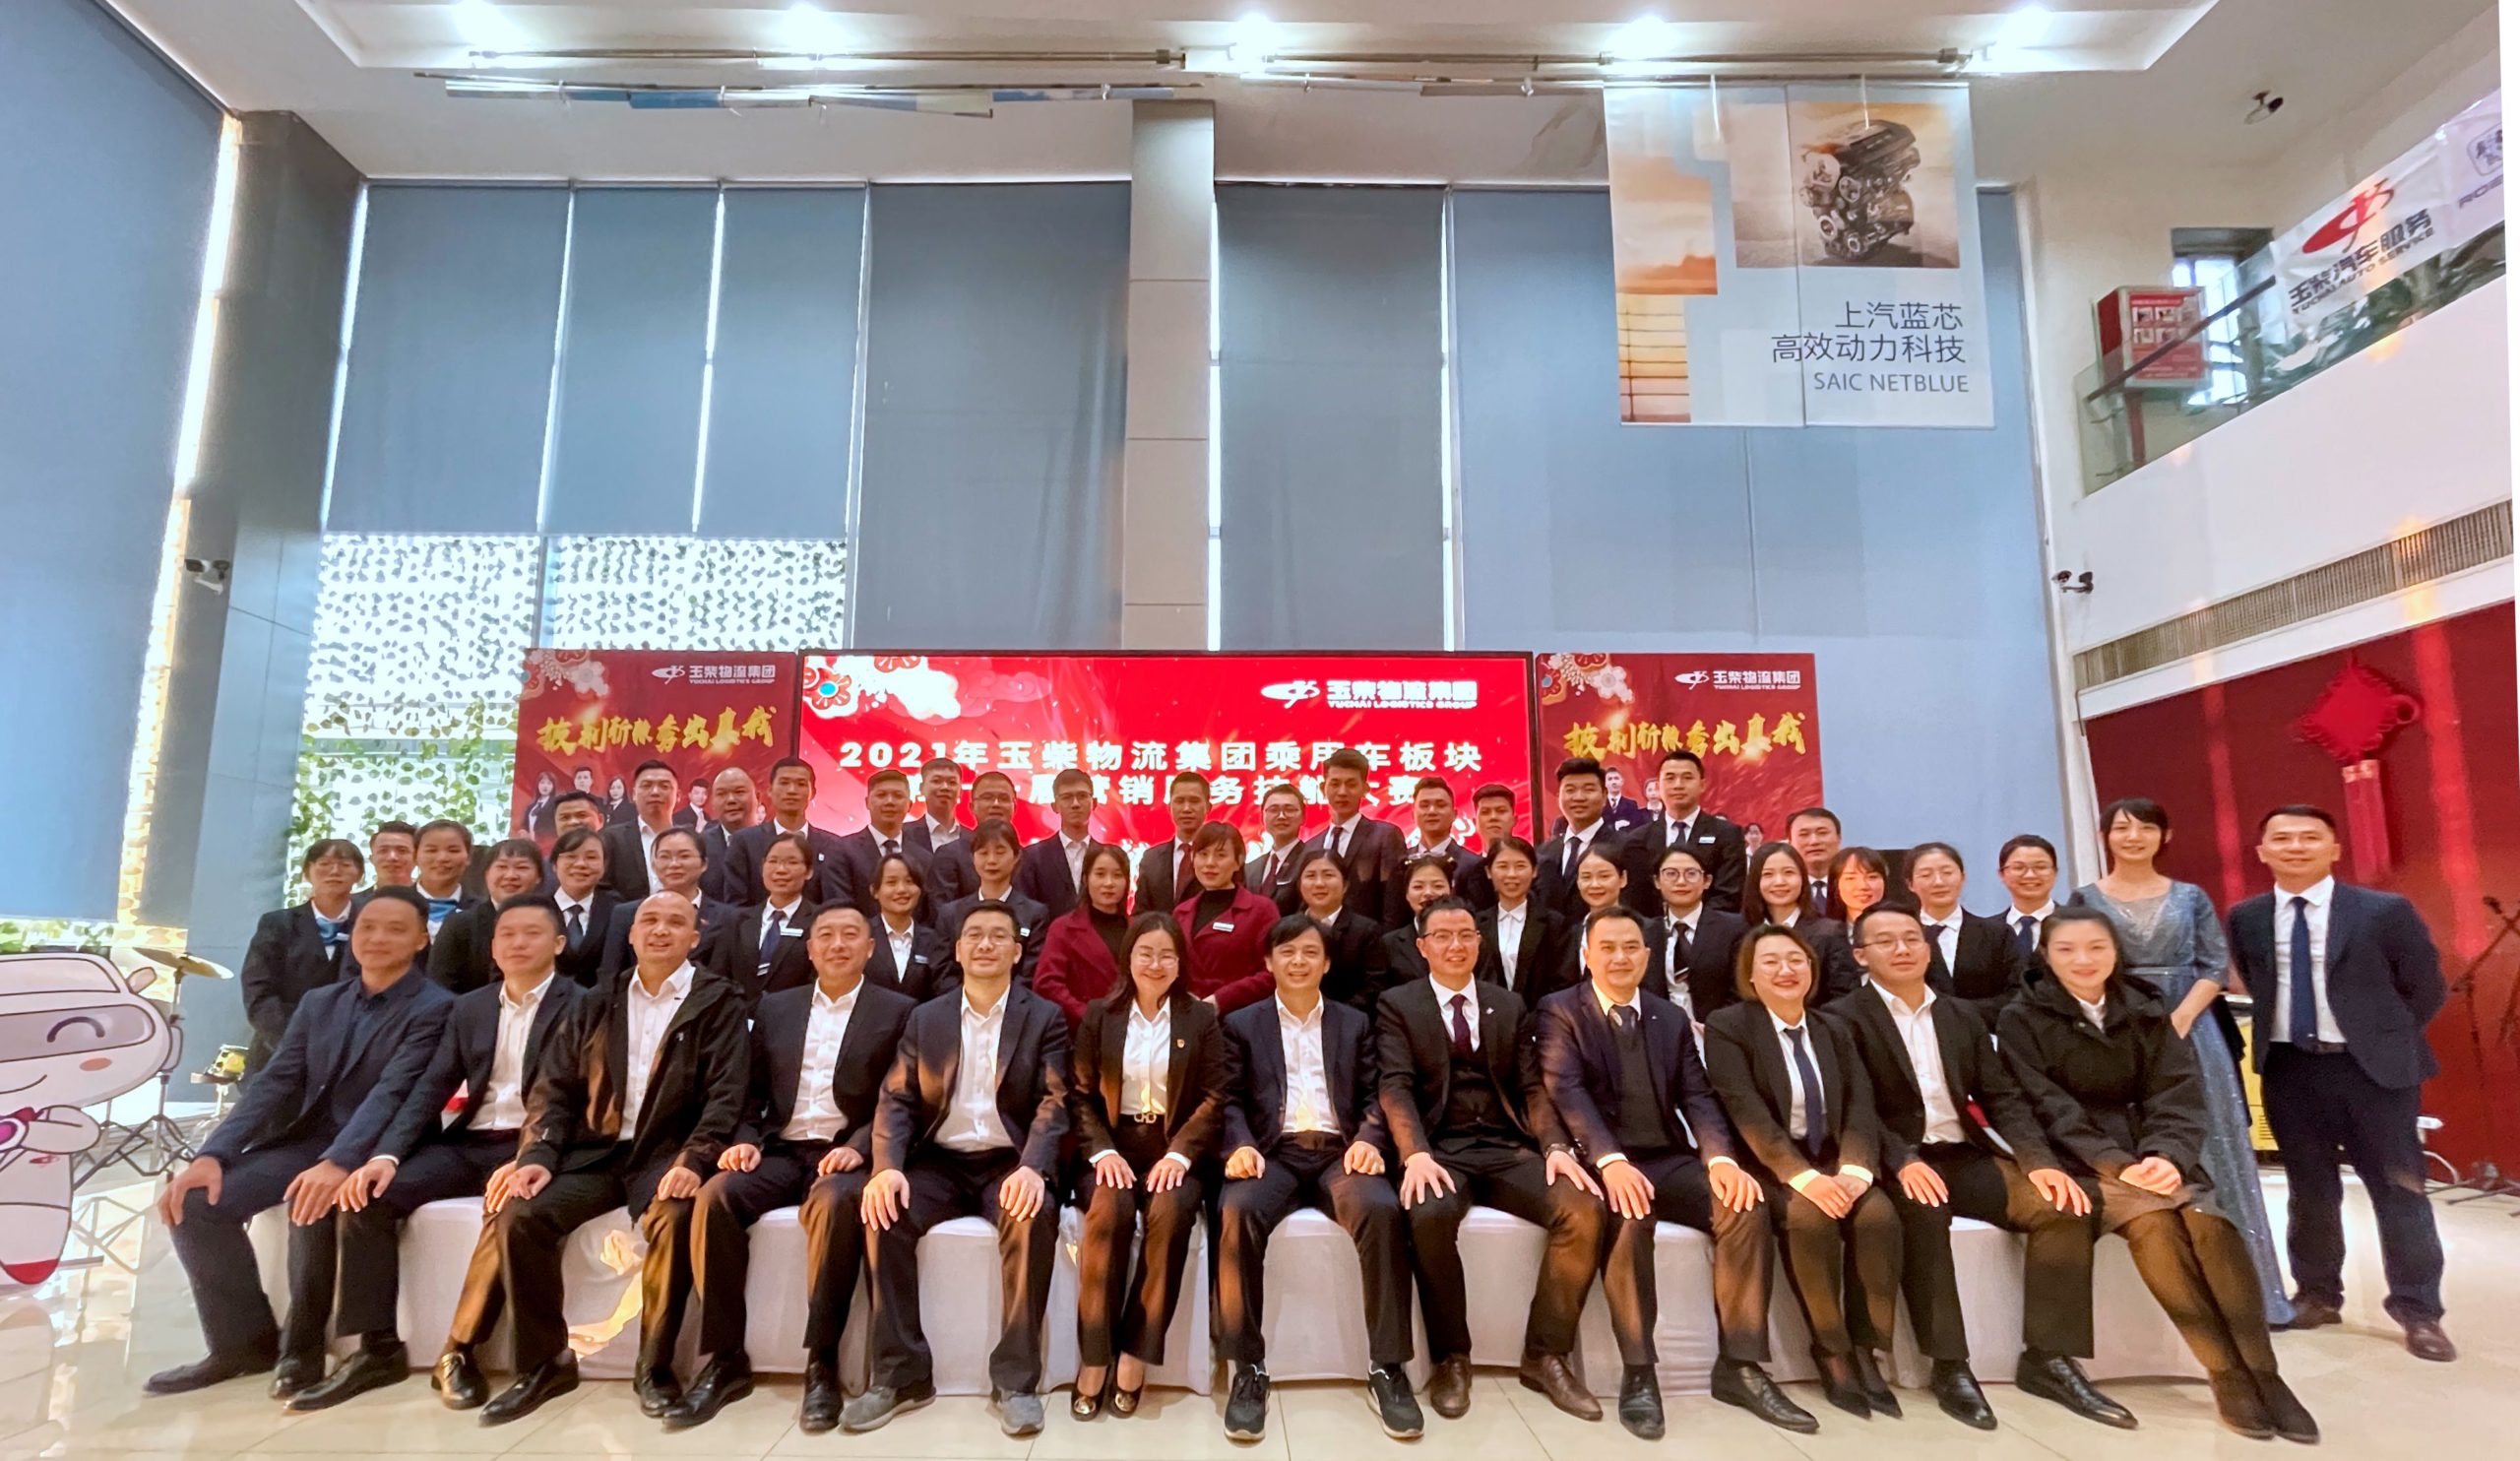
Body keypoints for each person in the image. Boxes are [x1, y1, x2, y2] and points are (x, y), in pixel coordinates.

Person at [2001, 910, 2317, 1444]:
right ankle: (2224, 1372)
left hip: (2155, 1154)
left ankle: (2265, 1373)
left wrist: (2167, 1154)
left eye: (2096, 947)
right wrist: (2116, 1163)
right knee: (2158, 1228)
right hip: (2084, 1160)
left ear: (2116, 951)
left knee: (2209, 1223)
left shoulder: (2145, 1006)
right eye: (2066, 950)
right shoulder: (2022, 1018)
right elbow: (2049, 1108)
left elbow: (2176, 1092)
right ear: (2046, 956)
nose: (2083, 960)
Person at [1826, 904, 2133, 1431]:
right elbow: (1854, 1108)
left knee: (2063, 1206)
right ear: (1860, 955)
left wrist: (2038, 1162)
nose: (1902, 949)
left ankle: (2049, 1358)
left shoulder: (1960, 1015)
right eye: (1886, 941)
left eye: (1912, 938)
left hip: (1962, 1153)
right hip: (1894, 1160)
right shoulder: (1841, 1020)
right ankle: (1950, 1365)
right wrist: (1902, 1161)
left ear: (1927, 947)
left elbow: (2002, 1097)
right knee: (1925, 1213)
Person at [452, 891, 751, 1427]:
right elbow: (554, 1089)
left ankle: (655, 1367)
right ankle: (545, 1363)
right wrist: (538, 1154)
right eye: (649, 920)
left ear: (694, 938)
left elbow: (726, 1096)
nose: (660, 930)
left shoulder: (719, 1001)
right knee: (522, 1214)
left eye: (675, 922)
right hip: (596, 1152)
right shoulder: (596, 1000)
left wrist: (695, 1159)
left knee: (676, 1217)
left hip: (668, 1154)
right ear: (632, 935)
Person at [147, 888, 452, 1399]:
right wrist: (212, 1154)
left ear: (422, 940)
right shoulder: (320, 1002)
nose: (378, 937)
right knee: (196, 1203)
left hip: (382, 1148)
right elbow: (274, 1082)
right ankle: (242, 1344)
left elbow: (393, 1092)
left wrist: (339, 1161)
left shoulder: (436, 1007)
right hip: (306, 1141)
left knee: (310, 1202)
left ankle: (301, 1349)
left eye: (396, 929)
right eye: (367, 926)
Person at [302, 896, 585, 1412]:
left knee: (510, 1212)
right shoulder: (469, 1007)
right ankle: (376, 1349)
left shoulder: (585, 1005)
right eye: (507, 935)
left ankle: (463, 1352)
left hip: (539, 1148)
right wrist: (386, 1156)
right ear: (493, 947)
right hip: (469, 1142)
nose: (518, 944)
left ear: (559, 944)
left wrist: (535, 1155)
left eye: (532, 934)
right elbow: (429, 1088)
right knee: (367, 1197)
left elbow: (581, 1098)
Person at [1535, 906, 1808, 1439]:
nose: (1620, 957)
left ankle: (1741, 1365)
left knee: (1745, 1204)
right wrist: (1610, 1161)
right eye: (1607, 948)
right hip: (1604, 1162)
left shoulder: (1669, 1016)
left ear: (1647, 955)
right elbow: (1566, 1090)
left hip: (1668, 1155)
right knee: (1630, 1219)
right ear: (1586, 955)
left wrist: (1720, 1159)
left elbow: (1697, 1094)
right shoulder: (1560, 1010)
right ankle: (1640, 1372)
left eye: (1630, 947)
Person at [672, 905, 917, 1431]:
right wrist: (744, 1140)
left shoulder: (899, 1011)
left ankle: (821, 1362)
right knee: (716, 1196)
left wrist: (860, 1146)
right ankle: (724, 1359)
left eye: (850, 935)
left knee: (836, 1203)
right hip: (780, 1149)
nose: (837, 944)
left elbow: (898, 1096)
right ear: (809, 949)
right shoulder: (776, 1007)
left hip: (844, 1152)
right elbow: (750, 1090)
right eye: (825, 935)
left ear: (870, 948)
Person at [2228, 804, 2451, 1361]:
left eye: (2309, 837)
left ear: (2334, 849)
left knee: (2399, 1190)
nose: (2295, 847)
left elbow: (2424, 986)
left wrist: (2381, 1037)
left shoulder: (2383, 911)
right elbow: (2257, 981)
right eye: (2282, 838)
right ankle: (2317, 1294)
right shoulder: (2247, 917)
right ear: (2262, 852)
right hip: (2291, 1069)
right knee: (2309, 1191)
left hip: (2372, 1071)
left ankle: (2419, 1309)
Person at [846, 903, 1071, 1437]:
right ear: (959, 949)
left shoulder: (1044, 1016)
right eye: (975, 936)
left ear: (1017, 952)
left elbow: (1056, 1099)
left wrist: (1033, 1167)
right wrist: (886, 1167)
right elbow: (897, 1098)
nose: (986, 944)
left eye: (998, 936)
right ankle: (900, 1375)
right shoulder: (927, 1017)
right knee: (882, 1213)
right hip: (940, 1161)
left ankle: (1016, 1381)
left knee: (1031, 1217)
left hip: (1008, 1162)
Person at [1378, 897, 1605, 1423]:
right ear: (1422, 947)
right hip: (1441, 1149)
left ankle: (1545, 1354)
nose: (1455, 946)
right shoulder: (1398, 1004)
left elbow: (1531, 1086)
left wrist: (1555, 1147)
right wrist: (1414, 1153)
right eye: (1442, 937)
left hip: (1505, 1146)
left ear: (1480, 943)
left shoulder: (1508, 1003)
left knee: (1584, 1208)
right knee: (1428, 1214)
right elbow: (1395, 1084)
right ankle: (1451, 1358)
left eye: (1465, 935)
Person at [2070, 796, 2291, 1328]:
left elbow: (2213, 967)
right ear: (2104, 837)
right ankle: (2167, 1297)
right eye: (2121, 828)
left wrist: (2180, 1019)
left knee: (2215, 1146)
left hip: (2193, 1031)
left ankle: (2250, 1295)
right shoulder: (2084, 898)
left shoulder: (2190, 897)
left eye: (2145, 828)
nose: (2133, 837)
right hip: (2117, 1030)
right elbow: (2077, 962)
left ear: (2164, 837)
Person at [1215, 916, 1420, 1443]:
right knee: (1236, 1211)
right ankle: (1248, 1368)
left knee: (1381, 1210)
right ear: (1268, 962)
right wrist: (1239, 1145)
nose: (1299, 962)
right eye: (1287, 952)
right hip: (1273, 1153)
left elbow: (1377, 1092)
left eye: (1310, 952)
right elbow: (1228, 1098)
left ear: (1327, 963)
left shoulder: (1355, 1023)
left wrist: (1369, 1139)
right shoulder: (1242, 1024)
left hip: (1339, 1152)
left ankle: (1387, 1367)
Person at [1702, 924, 1900, 1422]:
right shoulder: (1729, 1026)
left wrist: (1856, 1168)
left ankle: (1866, 1349)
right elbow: (1745, 1110)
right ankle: (1831, 1349)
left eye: (1796, 960)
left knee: (1878, 1217)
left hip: (1833, 1158)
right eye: (1770, 962)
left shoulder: (1833, 1027)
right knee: (1811, 1218)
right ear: (1750, 975)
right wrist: (1802, 1177)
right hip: (1767, 1164)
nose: (1785, 970)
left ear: (1812, 970)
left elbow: (1860, 1103)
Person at [1069, 917, 1229, 1420]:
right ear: (1129, 958)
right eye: (1145, 953)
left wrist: (1180, 1154)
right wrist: (1102, 1152)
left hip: (1173, 1147)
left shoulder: (1199, 1018)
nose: (1155, 964)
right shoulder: (1100, 1015)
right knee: (1108, 1213)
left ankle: (1137, 1351)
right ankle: (1096, 1354)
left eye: (1166, 955)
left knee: (1171, 1214)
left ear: (1180, 963)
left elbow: (1215, 1096)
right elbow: (1080, 1097)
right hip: (1113, 1147)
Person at [239, 840, 363, 1076]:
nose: (334, 871)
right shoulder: (277, 923)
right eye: (324, 864)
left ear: (359, 874)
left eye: (345, 864)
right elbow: (258, 992)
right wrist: (294, 1043)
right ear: (307, 872)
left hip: (349, 1054)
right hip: (280, 1050)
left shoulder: (370, 925)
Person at [1906, 842, 2029, 1025]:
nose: (1938, 882)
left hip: (1987, 1033)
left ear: (1963, 877)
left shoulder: (1997, 933)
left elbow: (2016, 993)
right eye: (1926, 875)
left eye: (1947, 872)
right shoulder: (1901, 937)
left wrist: (1958, 1013)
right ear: (1910, 884)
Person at [598, 827, 739, 979]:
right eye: (665, 857)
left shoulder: (728, 917)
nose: (674, 864)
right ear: (653, 865)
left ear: (704, 864)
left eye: (684, 856)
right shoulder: (626, 914)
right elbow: (610, 975)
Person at [1174, 821, 1283, 1012]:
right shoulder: (1181, 913)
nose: (1210, 863)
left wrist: (1220, 1000)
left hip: (1243, 1018)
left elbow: (1274, 972)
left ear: (1238, 861)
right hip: (1187, 1016)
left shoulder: (1261, 910)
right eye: (1203, 854)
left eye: (1221, 855)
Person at [705, 831, 818, 1011]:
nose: (781, 870)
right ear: (762, 867)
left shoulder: (819, 921)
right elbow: (718, 976)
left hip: (793, 1018)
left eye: (792, 862)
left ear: (809, 871)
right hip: (738, 1018)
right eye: (773, 861)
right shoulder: (737, 920)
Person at [1632, 750, 1747, 917]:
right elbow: (1635, 897)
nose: (1678, 785)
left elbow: (1730, 895)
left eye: (1687, 778)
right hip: (1652, 929)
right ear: (1657, 786)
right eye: (1670, 778)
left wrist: (1689, 923)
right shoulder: (1638, 839)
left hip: (1711, 927)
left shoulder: (1727, 835)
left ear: (1702, 785)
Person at [932, 819, 1050, 981]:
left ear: (1016, 856)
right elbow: (943, 972)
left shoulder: (1035, 914)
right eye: (983, 853)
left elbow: (1031, 973)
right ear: (972, 858)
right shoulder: (950, 914)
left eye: (1000, 852)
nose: (991, 860)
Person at [1304, 747, 1411, 926]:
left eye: (1351, 784)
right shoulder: (1311, 847)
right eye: (1335, 784)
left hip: (1370, 939)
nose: (1342, 792)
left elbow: (1394, 901)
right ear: (1323, 788)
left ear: (1365, 788)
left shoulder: (1385, 836)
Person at [427, 839, 546, 995]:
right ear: (487, 874)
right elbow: (439, 986)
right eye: (502, 867)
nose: (510, 875)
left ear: (538, 877)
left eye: (521, 867)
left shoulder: (551, 922)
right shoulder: (460, 924)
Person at [724, 757, 847, 907]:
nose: (791, 790)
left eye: (801, 784)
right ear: (770, 790)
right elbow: (736, 905)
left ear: (813, 793)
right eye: (784, 783)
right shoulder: (745, 842)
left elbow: (837, 904)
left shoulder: (833, 846)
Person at [1536, 756, 1646, 922]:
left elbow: (1638, 908)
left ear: (1604, 796)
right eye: (1570, 790)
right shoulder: (1544, 852)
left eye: (1588, 789)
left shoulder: (1627, 847)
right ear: (1559, 797)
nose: (1579, 797)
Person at [1033, 843, 1133, 1024]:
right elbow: (1047, 984)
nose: (1109, 883)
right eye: (1100, 874)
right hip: (1080, 1028)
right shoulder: (1063, 928)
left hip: (1132, 1028)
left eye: (1117, 875)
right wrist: (1087, 1015)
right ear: (1086, 879)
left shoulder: (1137, 929)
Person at [1748, 841, 1861, 1000]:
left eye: (1788, 873)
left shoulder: (1829, 933)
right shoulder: (1742, 932)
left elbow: (1845, 996)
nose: (1779, 882)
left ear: (1803, 878)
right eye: (1768, 874)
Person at [1647, 845, 1748, 1023]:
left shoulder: (1734, 929)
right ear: (1657, 881)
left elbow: (1741, 991)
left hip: (1720, 1028)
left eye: (1691, 873)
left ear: (1707, 881)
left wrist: (1716, 1028)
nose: (1681, 881)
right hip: (1660, 1029)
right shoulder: (1645, 932)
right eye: (1671, 873)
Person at [1289, 846, 1388, 1011]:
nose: (1319, 883)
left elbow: (1374, 988)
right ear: (1300, 885)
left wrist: (1335, 1017)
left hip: (1350, 1019)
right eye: (1310, 876)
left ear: (1345, 885)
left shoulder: (1367, 931)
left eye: (1328, 875)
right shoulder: (1286, 930)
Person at [831, 768, 937, 918]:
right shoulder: (842, 850)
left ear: (909, 805)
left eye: (898, 796)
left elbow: (929, 913)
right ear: (867, 802)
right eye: (881, 795)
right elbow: (840, 906)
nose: (889, 802)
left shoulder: (924, 858)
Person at [1478, 834, 1563, 1003]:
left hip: (1542, 1014)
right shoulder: (1477, 923)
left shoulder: (1554, 923)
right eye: (1503, 866)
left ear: (1534, 871)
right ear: (1488, 872)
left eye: (1520, 866)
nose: (1511, 874)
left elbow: (1561, 981)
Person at [1543, 845, 1635, 998]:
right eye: (1586, 877)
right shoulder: (1569, 935)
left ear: (1622, 878)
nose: (1595, 884)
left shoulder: (1647, 930)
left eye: (1604, 876)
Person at [1014, 768, 1103, 918]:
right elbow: (1025, 909)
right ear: (1054, 806)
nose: (1075, 804)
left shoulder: (1106, 856)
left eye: (1082, 796)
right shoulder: (1033, 857)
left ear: (1093, 803)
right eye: (1067, 797)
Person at [863, 852, 952, 1001]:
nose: (902, 890)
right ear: (874, 891)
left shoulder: (934, 940)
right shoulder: (861, 937)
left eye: (910, 882)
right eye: (891, 882)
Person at [598, 760, 684, 902]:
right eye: (647, 785)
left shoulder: (692, 840)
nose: (655, 792)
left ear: (678, 795)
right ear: (633, 794)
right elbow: (602, 891)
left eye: (664, 786)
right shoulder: (611, 839)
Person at [1404, 776, 1493, 911]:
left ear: (1454, 814)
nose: (1432, 811)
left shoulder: (1474, 865)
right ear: (1413, 815)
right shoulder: (1401, 862)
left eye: (1440, 805)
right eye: (1424, 805)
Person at [545, 827, 617, 987]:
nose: (580, 864)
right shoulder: (535, 909)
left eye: (591, 857)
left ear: (604, 866)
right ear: (555, 865)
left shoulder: (617, 911)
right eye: (571, 856)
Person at [1134, 771, 1213, 916]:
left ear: (1208, 807)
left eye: (1194, 801)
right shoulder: (1151, 859)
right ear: (1169, 807)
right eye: (1179, 801)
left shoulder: (1219, 858)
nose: (1186, 809)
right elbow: (1140, 913)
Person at [1375, 855, 1457, 992]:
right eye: (1418, 887)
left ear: (1451, 890)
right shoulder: (1389, 944)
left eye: (1438, 886)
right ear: (1406, 894)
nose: (1428, 893)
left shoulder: (1470, 939)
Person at [906, 756, 978, 905]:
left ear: (960, 791)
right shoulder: (903, 836)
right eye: (936, 781)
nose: (945, 787)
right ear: (921, 788)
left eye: (952, 782)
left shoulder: (975, 841)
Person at [696, 767, 759, 903]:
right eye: (721, 794)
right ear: (712, 803)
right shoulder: (699, 846)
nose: (730, 800)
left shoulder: (773, 842)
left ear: (757, 798)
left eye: (739, 792)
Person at [1997, 833, 2062, 961]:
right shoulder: (1986, 933)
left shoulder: (2077, 925)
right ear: (2002, 874)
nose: (2030, 875)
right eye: (2018, 867)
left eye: (2041, 867)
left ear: (2055, 873)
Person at [1245, 782, 1308, 912]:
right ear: (1262, 817)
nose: (1281, 816)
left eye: (1289, 809)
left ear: (1303, 817)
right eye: (1273, 810)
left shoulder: (1311, 861)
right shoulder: (1249, 869)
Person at [410, 820, 477, 935]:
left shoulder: (481, 911)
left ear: (469, 857)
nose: (442, 858)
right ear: (415, 856)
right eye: (431, 850)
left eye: (453, 850)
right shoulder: (393, 905)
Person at [1787, 807, 1844, 909]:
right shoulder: (1781, 889)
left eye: (1822, 833)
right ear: (1790, 843)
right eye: (1804, 834)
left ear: (1839, 838)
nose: (1814, 841)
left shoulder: (1857, 886)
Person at [1824, 845, 1892, 925]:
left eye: (1872, 877)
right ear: (1836, 885)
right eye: (1851, 878)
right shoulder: (1822, 930)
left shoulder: (1901, 926)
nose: (1863, 886)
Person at [969, 770, 1023, 843]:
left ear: (1014, 807)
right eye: (987, 798)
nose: (996, 804)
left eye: (1004, 798)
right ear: (972, 807)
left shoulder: (1029, 850)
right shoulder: (956, 849)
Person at [366, 821, 417, 890]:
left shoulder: (429, 896)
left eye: (402, 850)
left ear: (417, 858)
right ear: (371, 858)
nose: (392, 857)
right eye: (383, 850)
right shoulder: (353, 897)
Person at [1471, 783, 1519, 852]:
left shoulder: (1531, 858)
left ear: (1514, 820)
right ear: (1475, 822)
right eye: (1485, 812)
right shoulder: (1463, 858)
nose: (1493, 817)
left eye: (1501, 811)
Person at [1599, 765, 1646, 833]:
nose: (1614, 782)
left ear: (1622, 781)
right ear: (1605, 783)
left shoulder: (1631, 805)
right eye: (1610, 779)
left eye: (1616, 778)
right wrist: (1614, 826)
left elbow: (1635, 828)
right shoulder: (1599, 804)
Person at [522, 772, 558, 840]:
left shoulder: (555, 804)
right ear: (537, 785)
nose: (545, 786)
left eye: (549, 783)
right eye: (542, 782)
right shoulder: (530, 807)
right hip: (530, 843)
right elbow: (524, 826)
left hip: (547, 842)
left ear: (553, 786)